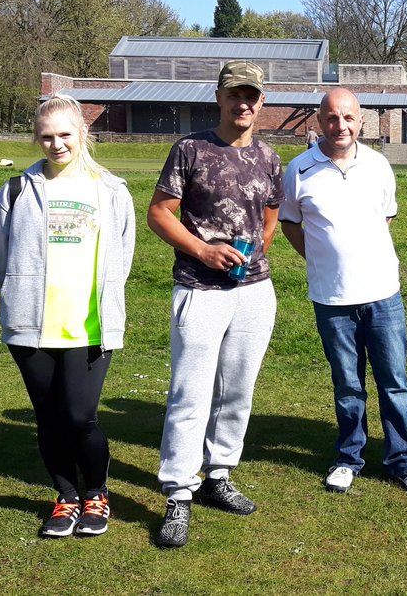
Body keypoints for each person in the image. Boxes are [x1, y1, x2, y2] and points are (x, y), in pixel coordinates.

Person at [147, 60, 283, 548]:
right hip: (198, 290)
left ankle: (218, 475)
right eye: (234, 95)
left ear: (261, 102)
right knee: (190, 393)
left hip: (253, 292)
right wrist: (203, 249)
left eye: (252, 96)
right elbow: (158, 214)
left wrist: (256, 251)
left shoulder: (269, 157)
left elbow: (271, 211)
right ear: (220, 99)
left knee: (237, 391)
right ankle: (178, 494)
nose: (243, 104)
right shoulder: (191, 149)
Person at [0, 94, 135, 538]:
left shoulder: (111, 190)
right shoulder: (16, 190)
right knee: (49, 418)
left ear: (82, 134)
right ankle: (66, 497)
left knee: (79, 416)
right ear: (37, 138)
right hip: (32, 327)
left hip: (88, 325)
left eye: (65, 135)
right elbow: (2, 255)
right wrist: (17, 295)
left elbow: (123, 256)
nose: (56, 144)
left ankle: (97, 492)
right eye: (47, 137)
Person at [279, 88, 407, 496]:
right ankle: (349, 457)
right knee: (348, 384)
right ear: (318, 121)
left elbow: (386, 218)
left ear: (360, 120)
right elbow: (290, 223)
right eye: (331, 117)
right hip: (331, 299)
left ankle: (403, 460)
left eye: (348, 117)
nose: (340, 125)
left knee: (394, 382)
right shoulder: (298, 169)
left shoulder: (379, 165)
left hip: (383, 295)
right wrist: (321, 257)